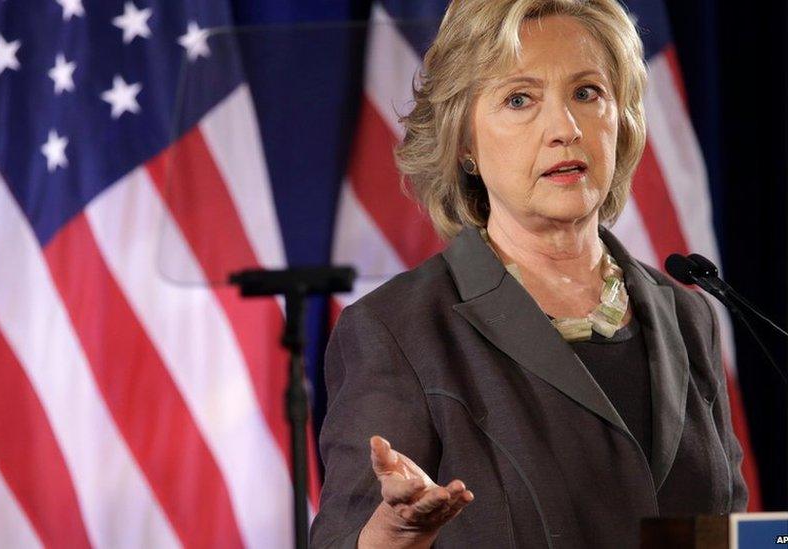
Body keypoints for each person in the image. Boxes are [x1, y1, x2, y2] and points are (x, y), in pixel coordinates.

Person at [310, 1, 748, 547]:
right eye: (519, 100)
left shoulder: (688, 315)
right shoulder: (398, 330)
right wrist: (395, 531)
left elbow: (726, 531)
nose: (565, 128)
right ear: (464, 143)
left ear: (624, 116)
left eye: (587, 93)